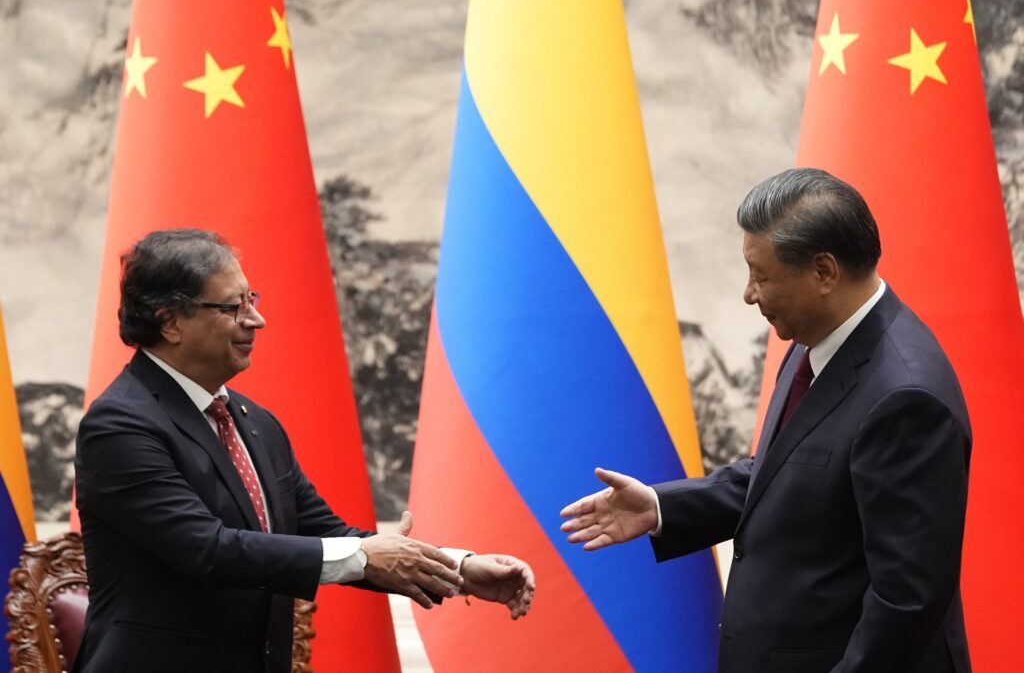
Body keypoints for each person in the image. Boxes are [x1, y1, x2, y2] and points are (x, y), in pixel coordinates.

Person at [560, 168, 971, 673]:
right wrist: (663, 508)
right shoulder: (813, 343)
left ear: (824, 272)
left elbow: (907, 603)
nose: (749, 294)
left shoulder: (904, 398)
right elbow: (784, 474)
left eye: (762, 275)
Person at [74, 229, 534, 673]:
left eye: (252, 301)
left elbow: (328, 532)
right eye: (233, 307)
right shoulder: (120, 425)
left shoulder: (255, 422)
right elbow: (206, 549)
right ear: (170, 321)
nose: (256, 320)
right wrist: (367, 556)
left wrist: (459, 566)